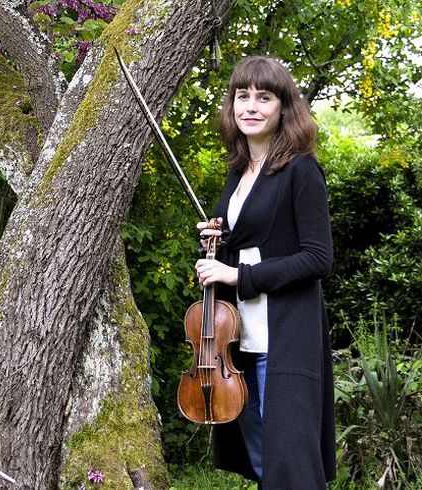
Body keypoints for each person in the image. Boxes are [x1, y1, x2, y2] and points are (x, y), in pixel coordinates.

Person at [193, 56, 336, 489]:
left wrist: (240, 277)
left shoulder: (301, 170)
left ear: (283, 108)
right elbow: (241, 250)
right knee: (261, 462)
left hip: (285, 338)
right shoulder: (238, 176)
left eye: (264, 97)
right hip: (237, 342)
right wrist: (213, 243)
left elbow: (317, 258)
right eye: (242, 96)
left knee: (290, 466)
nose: (251, 106)